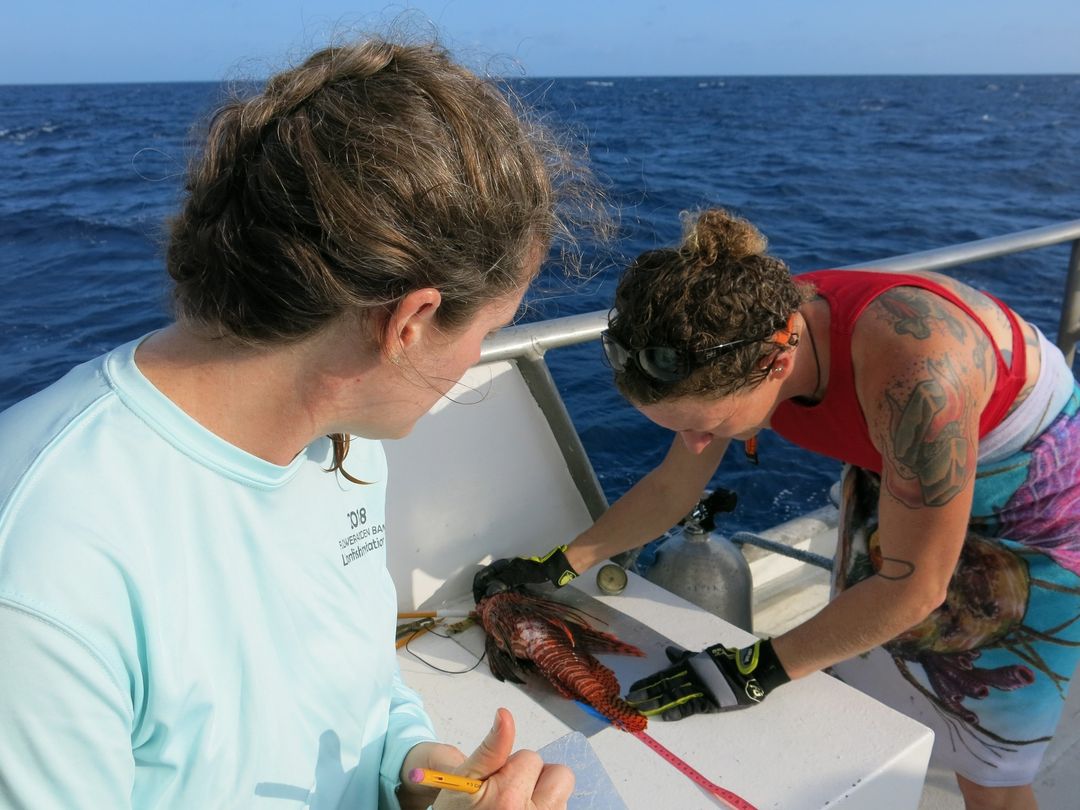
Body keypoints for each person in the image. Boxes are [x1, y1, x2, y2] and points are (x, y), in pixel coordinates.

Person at [0, 37, 590, 810]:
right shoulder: (45, 571)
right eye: (491, 327)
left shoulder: (342, 443)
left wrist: (424, 777)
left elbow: (363, 699)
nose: (478, 357)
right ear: (408, 324)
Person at [474, 208, 1080, 810]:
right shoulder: (736, 335)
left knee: (989, 756)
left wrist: (756, 669)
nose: (696, 444)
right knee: (861, 682)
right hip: (903, 463)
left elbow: (914, 588)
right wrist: (556, 565)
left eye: (707, 427)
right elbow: (670, 488)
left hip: (1032, 483)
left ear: (777, 364)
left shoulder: (919, 378)